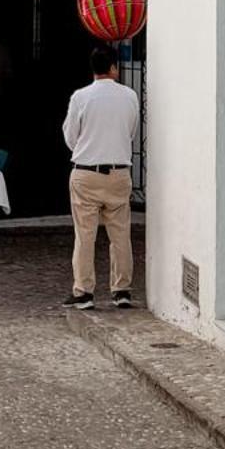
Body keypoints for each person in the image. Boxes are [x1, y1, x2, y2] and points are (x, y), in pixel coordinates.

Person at [61, 45, 140, 309]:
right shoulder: (129, 96)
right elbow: (131, 131)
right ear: (114, 68)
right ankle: (122, 290)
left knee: (85, 235)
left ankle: (84, 291)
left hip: (86, 173)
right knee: (120, 234)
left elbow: (70, 136)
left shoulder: (80, 97)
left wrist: (89, 148)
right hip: (119, 172)